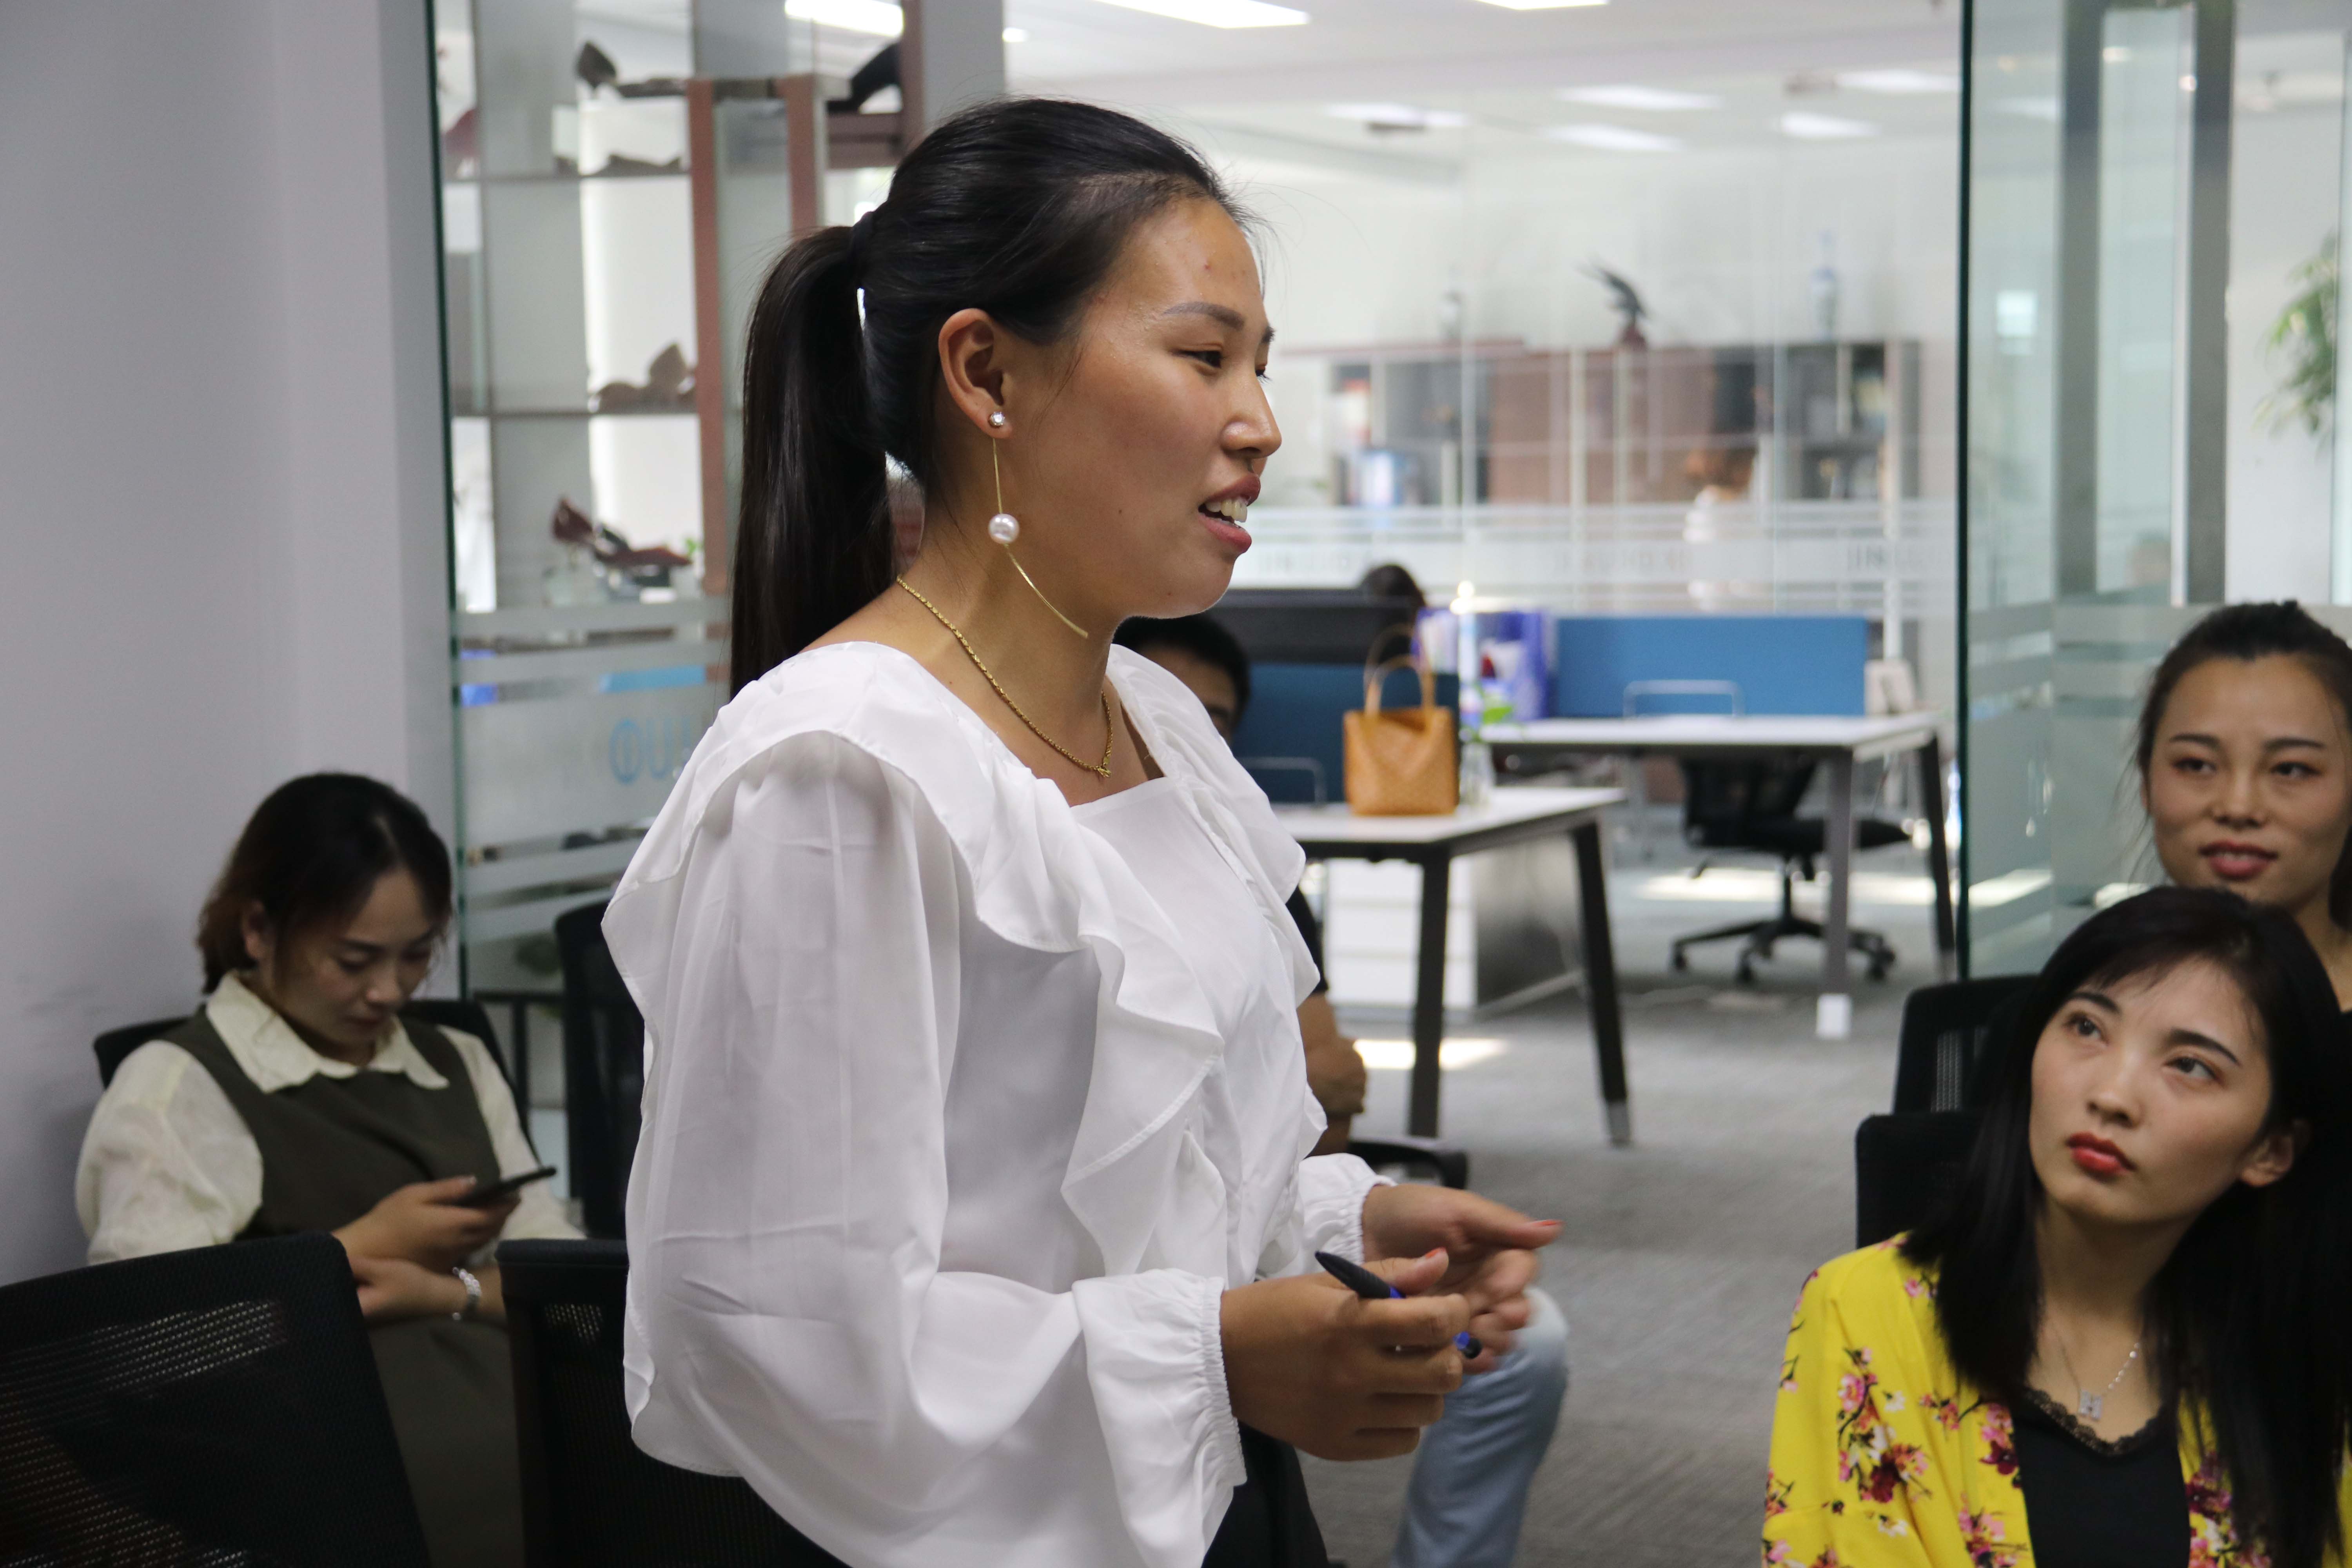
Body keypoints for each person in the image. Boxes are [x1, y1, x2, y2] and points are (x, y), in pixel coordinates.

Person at [607, 98, 1559, 1568]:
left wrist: (1348, 1219)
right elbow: (784, 1334)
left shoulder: (1152, 717)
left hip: (1223, 1509)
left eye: (1259, 363)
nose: (1260, 421)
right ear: (985, 372)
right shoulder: (835, 776)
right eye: (1202, 356)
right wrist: (1217, 1357)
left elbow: (1149, 1181)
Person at [1118, 610, 1570, 1568]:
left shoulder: (1226, 834)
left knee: (1526, 1348)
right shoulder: (891, 782)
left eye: (1212, 718)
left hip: (1253, 1234)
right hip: (1143, 1319)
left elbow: (1329, 1084)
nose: (1180, 728)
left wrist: (1357, 1213)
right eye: (1165, 703)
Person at [1763, 886, 2352, 1567]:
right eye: (2087, 1028)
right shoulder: (1864, 1309)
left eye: (2191, 1066)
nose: (2111, 1095)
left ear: (2271, 1150)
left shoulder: (2300, 1354)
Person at [75, 773, 578, 1568]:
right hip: (337, 1458)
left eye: (417, 955)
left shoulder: (456, 1059)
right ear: (258, 929)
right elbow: (148, 1350)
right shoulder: (178, 1087)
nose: (388, 990)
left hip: (519, 1411)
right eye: (354, 959)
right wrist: (358, 1248)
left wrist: (439, 1289)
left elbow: (563, 1283)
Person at [2136, 601, 2352, 1005]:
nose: (2238, 807)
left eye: (2290, 770)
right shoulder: (2075, 1008)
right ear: (2146, 780)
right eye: (2196, 765)